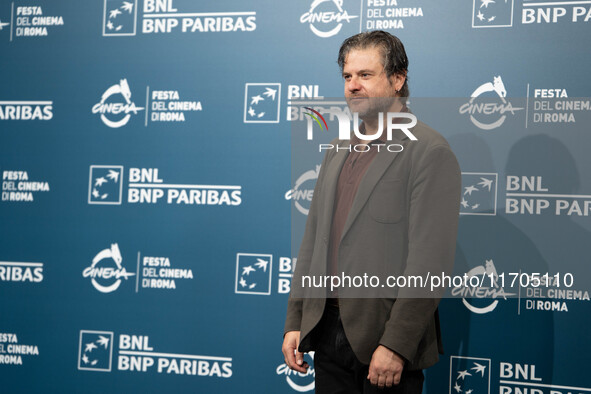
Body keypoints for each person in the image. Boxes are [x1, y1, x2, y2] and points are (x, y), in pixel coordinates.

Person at [282, 31, 461, 394]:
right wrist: (297, 319)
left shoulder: (428, 151)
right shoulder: (336, 148)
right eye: (348, 76)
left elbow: (430, 263)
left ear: (397, 79)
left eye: (366, 75)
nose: (353, 86)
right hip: (326, 332)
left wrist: (396, 344)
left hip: (384, 340)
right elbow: (313, 243)